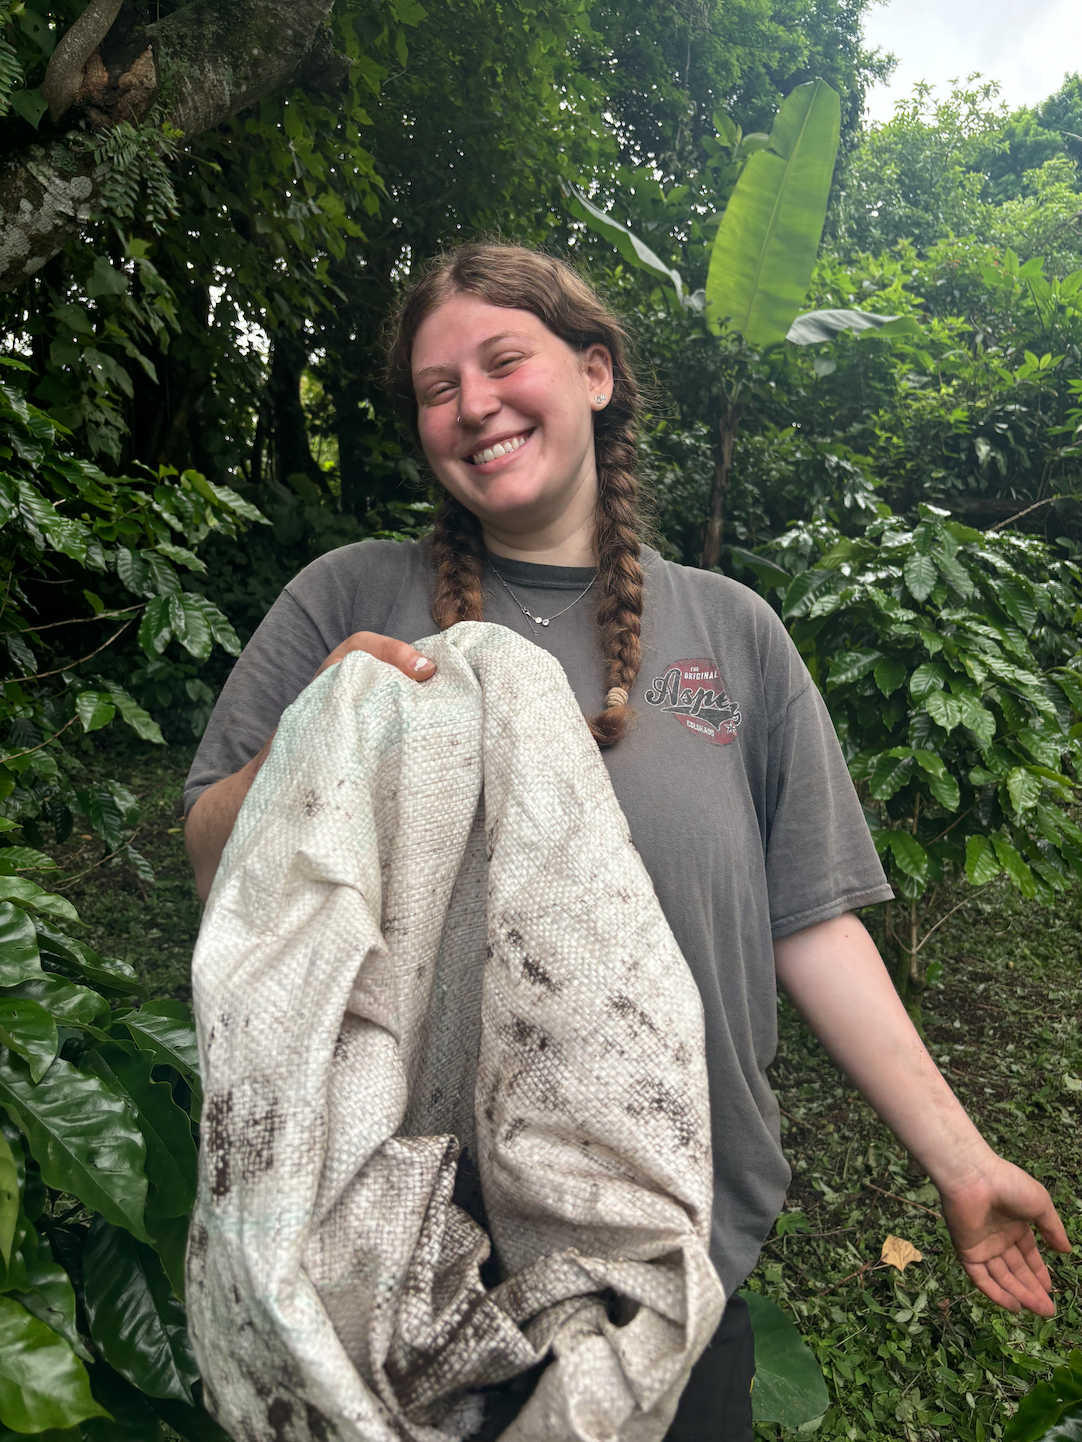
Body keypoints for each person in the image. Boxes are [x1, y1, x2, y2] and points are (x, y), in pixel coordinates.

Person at [184, 243, 1071, 1442]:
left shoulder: (732, 633)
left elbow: (807, 922)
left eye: (505, 361)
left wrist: (960, 1161)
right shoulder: (348, 598)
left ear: (594, 371)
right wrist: (313, 731)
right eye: (437, 389)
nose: (474, 405)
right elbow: (214, 860)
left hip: (674, 1257)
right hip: (410, 1267)